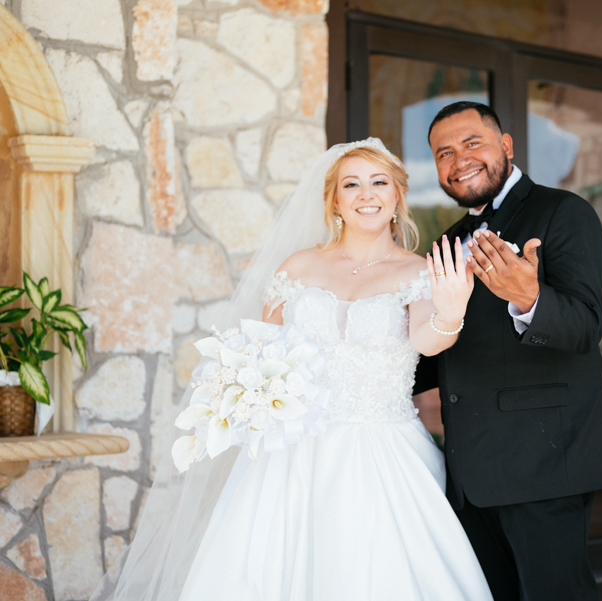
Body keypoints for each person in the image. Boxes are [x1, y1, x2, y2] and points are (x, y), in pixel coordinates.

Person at [90, 139, 492, 601]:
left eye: (379, 182)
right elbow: (262, 352)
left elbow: (427, 339)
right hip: (291, 450)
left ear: (396, 196)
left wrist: (451, 309)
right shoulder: (298, 267)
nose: (367, 194)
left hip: (380, 448)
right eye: (352, 184)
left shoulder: (418, 271)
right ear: (335, 199)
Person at [416, 101, 602, 601]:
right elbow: (435, 348)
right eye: (444, 152)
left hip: (543, 462)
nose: (458, 159)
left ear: (505, 146)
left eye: (472, 143)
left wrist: (528, 297)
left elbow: (583, 328)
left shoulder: (563, 212)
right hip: (470, 470)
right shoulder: (449, 241)